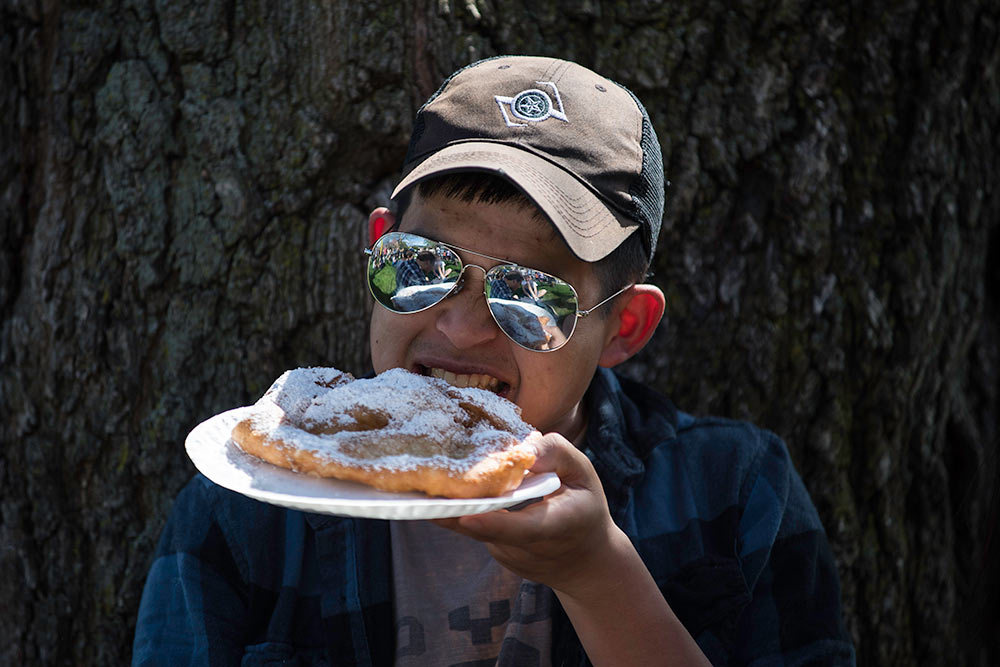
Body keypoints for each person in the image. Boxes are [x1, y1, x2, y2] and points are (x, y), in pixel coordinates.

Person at [132, 56, 855, 666]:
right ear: (380, 245)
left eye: (532, 295)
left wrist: (600, 577)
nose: (460, 322)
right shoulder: (245, 502)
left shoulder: (734, 494)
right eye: (420, 265)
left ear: (624, 327)